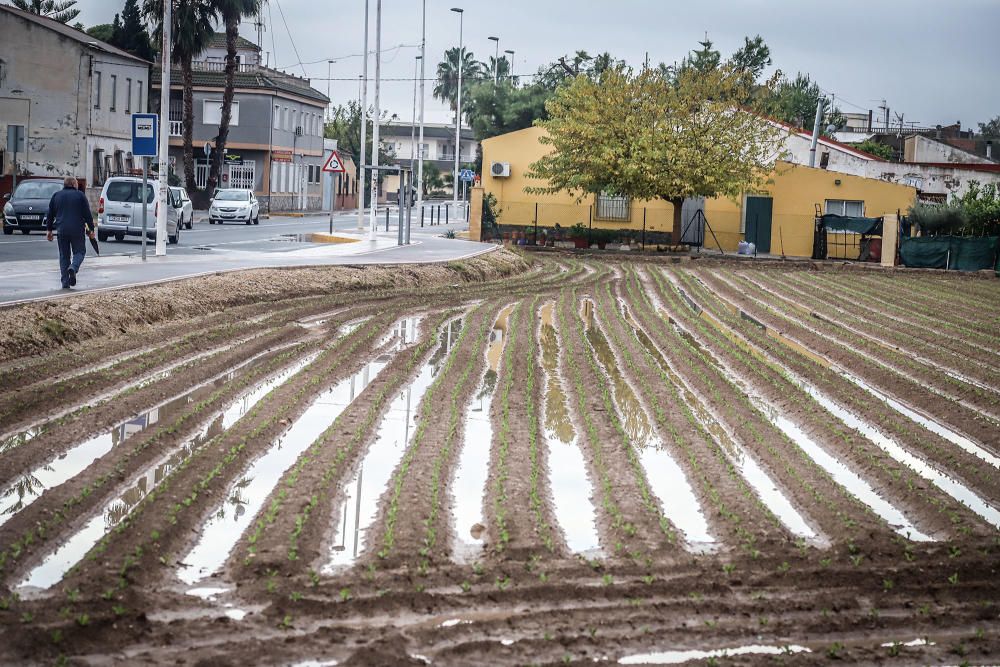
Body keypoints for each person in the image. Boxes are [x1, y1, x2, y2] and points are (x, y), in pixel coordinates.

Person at [45, 177, 95, 289]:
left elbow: (50, 214)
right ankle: (73, 267)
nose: (77, 185)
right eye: (76, 183)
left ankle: (65, 283)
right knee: (80, 252)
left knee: (64, 256)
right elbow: (87, 215)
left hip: (61, 230)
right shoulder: (80, 195)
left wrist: (49, 230)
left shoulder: (56, 196)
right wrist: (91, 230)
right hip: (77, 230)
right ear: (73, 184)